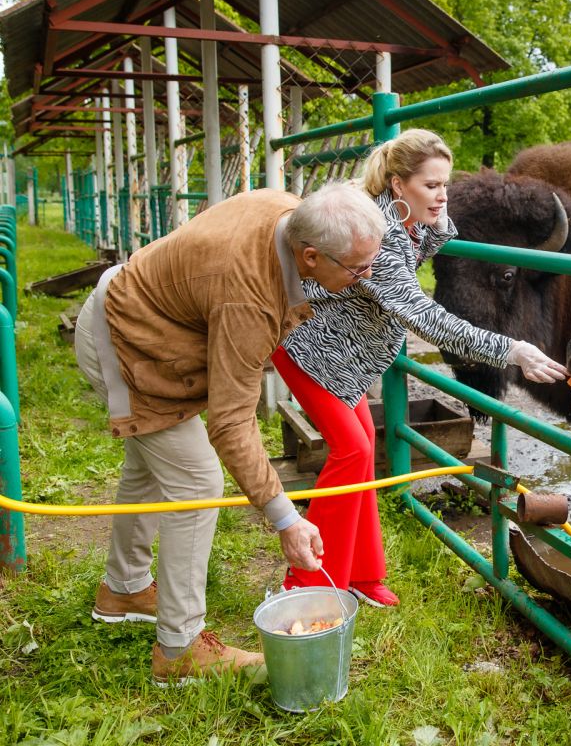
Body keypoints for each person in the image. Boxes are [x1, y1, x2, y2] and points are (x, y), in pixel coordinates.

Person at [75, 182, 385, 685]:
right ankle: (179, 650)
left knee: (152, 467)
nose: (366, 277)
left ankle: (124, 589)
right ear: (309, 256)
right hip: (126, 341)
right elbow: (230, 419)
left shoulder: (291, 215)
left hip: (138, 315)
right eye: (357, 269)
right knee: (197, 482)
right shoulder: (248, 297)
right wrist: (285, 518)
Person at [273, 129, 565, 606]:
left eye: (446, 184)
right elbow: (427, 318)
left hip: (346, 361)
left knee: (362, 451)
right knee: (350, 451)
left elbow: (441, 229)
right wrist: (513, 350)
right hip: (309, 352)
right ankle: (307, 587)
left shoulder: (409, 221)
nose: (443, 195)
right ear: (395, 185)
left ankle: (362, 576)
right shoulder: (379, 239)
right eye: (431, 185)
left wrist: (432, 205)